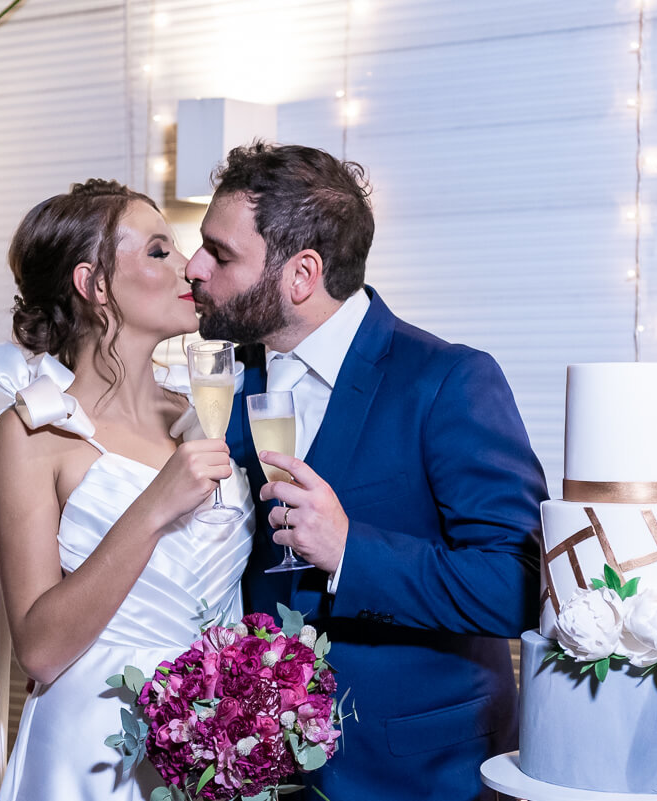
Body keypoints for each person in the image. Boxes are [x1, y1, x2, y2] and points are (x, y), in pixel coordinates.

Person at [184, 143, 549, 801]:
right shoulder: (223, 384)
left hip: (419, 775)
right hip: (260, 771)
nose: (194, 266)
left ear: (301, 275)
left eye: (221, 253)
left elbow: (523, 585)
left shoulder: (447, 381)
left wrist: (353, 553)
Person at [0, 180, 254, 801]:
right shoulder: (33, 433)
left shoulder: (205, 414)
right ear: (95, 285)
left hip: (219, 752)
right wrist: (155, 506)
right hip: (91, 758)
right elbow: (40, 649)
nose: (190, 266)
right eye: (159, 251)